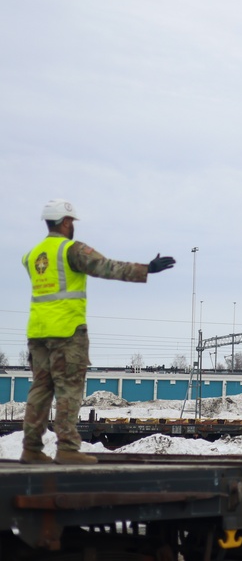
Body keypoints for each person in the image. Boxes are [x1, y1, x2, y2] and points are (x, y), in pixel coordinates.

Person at [21, 199, 176, 465]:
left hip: (37, 333)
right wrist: (147, 269)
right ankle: (68, 448)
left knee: (40, 390)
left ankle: (31, 449)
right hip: (67, 332)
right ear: (66, 222)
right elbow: (107, 267)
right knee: (68, 390)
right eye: (72, 223)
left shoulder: (33, 255)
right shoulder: (70, 250)